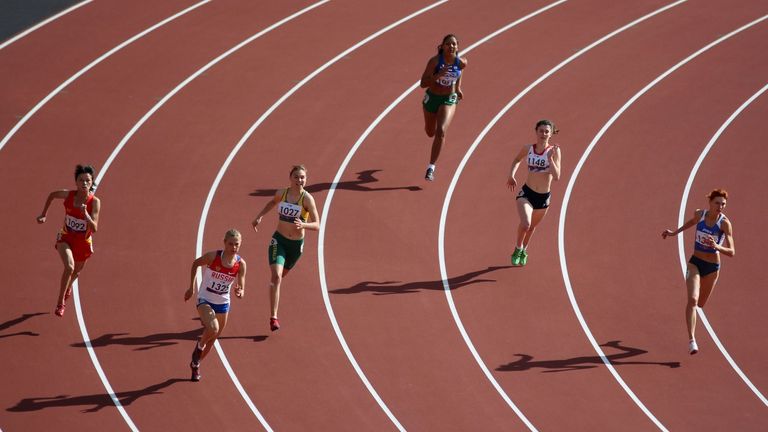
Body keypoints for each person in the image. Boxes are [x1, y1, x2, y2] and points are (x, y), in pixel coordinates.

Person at [662, 189, 735, 355]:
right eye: (717, 203)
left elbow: (732, 251)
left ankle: (692, 333)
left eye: (723, 204)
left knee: (701, 303)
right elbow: (690, 223)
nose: (720, 206)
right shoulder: (699, 215)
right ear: (710, 202)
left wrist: (716, 246)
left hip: (712, 268)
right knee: (693, 300)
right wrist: (674, 233)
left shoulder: (724, 224)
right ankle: (692, 340)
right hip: (695, 263)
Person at [251, 165, 320, 332]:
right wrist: (259, 216)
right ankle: (273, 317)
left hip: (295, 246)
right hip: (279, 240)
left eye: (302, 177)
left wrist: (304, 224)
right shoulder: (282, 193)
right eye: (296, 177)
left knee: (281, 276)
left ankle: (273, 290)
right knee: (276, 276)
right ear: (290, 178)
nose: (299, 180)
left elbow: (317, 224)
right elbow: (272, 202)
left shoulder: (307, 199)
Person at [36, 165, 101, 317]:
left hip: (83, 242)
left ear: (91, 183)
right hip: (65, 237)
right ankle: (61, 302)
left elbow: (95, 228)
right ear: (76, 182)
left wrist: (86, 214)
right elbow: (52, 195)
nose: (84, 183)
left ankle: (68, 288)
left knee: (76, 272)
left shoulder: (95, 202)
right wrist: (43, 214)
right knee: (70, 267)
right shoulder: (68, 195)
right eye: (81, 180)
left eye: (87, 180)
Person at [184, 229, 246, 381]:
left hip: (223, 304)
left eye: (236, 244)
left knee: (213, 339)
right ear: (224, 243)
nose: (233, 247)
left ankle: (195, 364)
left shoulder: (240, 264)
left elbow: (241, 286)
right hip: (205, 299)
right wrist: (191, 288)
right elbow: (195, 264)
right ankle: (198, 347)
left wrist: (240, 291)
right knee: (213, 328)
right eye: (230, 244)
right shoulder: (213, 257)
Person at [506, 120, 562, 266]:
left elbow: (556, 177)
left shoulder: (554, 152)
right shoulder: (528, 148)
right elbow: (517, 159)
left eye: (546, 131)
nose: (543, 134)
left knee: (531, 228)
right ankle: (518, 249)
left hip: (543, 198)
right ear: (536, 131)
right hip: (527, 193)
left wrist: (550, 159)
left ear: (550, 134)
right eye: (541, 130)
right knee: (525, 224)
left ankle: (525, 249)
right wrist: (511, 175)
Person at [419, 34, 467, 181]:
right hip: (432, 98)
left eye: (454, 44)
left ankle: (431, 168)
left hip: (448, 99)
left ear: (457, 47)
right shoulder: (434, 62)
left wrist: (457, 87)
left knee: (441, 131)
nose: (451, 46)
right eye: (448, 44)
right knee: (430, 132)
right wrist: (438, 75)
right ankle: (431, 127)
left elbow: (460, 72)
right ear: (442, 46)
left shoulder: (462, 62)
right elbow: (423, 83)